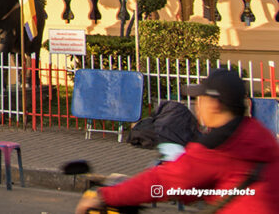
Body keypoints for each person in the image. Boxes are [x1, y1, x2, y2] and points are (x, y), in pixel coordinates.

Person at [76, 68, 279, 214]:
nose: (197, 105)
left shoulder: (219, 148)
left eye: (200, 99)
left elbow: (163, 181)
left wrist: (106, 196)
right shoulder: (258, 135)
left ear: (214, 104)